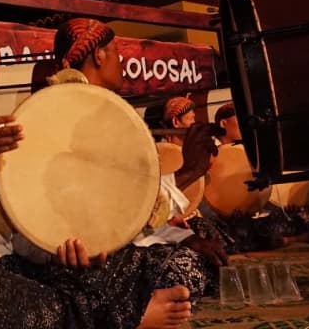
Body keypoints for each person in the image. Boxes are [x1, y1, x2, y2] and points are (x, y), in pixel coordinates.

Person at [0, 2, 192, 329]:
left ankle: (92, 313)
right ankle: (120, 318)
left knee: (165, 265)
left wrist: (59, 248)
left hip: (11, 266)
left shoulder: (9, 123)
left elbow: (19, 229)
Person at [51, 17, 225, 299]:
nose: (121, 62)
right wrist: (190, 171)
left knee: (204, 239)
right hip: (89, 251)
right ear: (99, 55)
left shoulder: (108, 115)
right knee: (185, 270)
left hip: (126, 238)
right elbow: (118, 213)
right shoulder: (76, 119)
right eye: (117, 53)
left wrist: (181, 236)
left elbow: (135, 212)